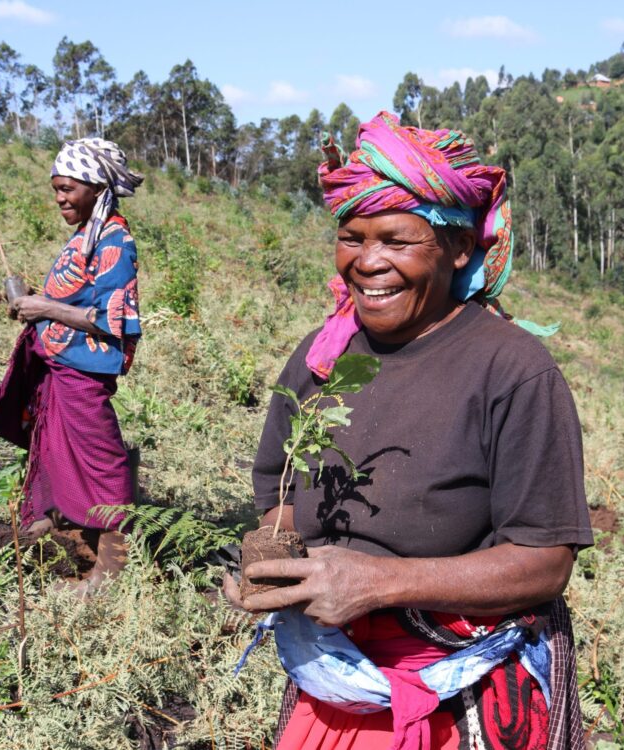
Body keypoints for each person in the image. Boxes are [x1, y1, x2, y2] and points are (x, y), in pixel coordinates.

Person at [225, 112, 594, 750]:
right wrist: (273, 561)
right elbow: (280, 498)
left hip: (455, 686)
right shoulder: (323, 356)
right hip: (332, 675)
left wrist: (376, 583)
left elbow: (545, 563)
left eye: (397, 240)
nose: (368, 263)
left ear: (458, 249)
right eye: (352, 237)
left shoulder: (511, 369)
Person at [0, 137, 143, 592]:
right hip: (59, 362)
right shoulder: (86, 235)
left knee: (102, 458)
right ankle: (54, 518)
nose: (60, 198)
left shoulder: (114, 242)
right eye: (55, 189)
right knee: (51, 445)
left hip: (85, 370)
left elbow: (114, 320)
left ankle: (112, 565)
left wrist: (44, 309)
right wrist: (35, 301)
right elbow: (75, 298)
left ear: (96, 186)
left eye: (68, 188)